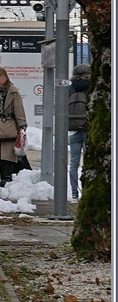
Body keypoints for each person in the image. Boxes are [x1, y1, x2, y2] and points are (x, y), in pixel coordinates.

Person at [0, 67, 26, 186]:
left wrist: (22, 124)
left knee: (8, 153)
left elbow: (19, 109)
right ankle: (3, 176)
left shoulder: (13, 91)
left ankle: (7, 177)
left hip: (9, 125)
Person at [67, 63, 90, 200]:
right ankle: (86, 192)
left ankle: (74, 193)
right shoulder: (92, 88)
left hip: (73, 129)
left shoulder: (70, 88)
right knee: (88, 162)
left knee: (74, 163)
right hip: (88, 127)